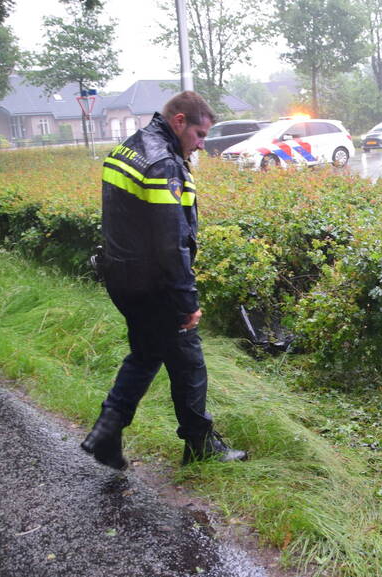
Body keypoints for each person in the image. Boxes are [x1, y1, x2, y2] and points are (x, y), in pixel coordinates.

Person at [81, 91, 248, 470]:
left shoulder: (129, 148)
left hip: (121, 276)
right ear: (179, 121)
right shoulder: (164, 165)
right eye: (200, 135)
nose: (202, 144)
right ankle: (200, 444)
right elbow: (172, 243)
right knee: (189, 362)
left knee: (146, 354)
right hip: (153, 285)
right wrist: (187, 302)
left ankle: (106, 434)